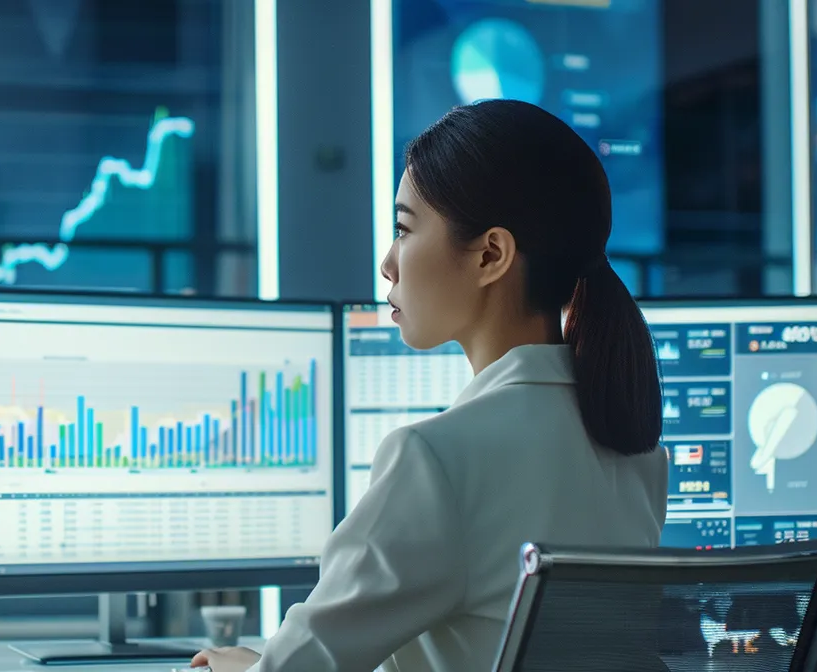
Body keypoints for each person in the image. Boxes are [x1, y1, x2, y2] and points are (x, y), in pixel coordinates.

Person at [192, 100, 670, 672]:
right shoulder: (636, 454)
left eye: (403, 228)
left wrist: (238, 667)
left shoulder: (435, 459)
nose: (388, 263)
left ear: (490, 254)